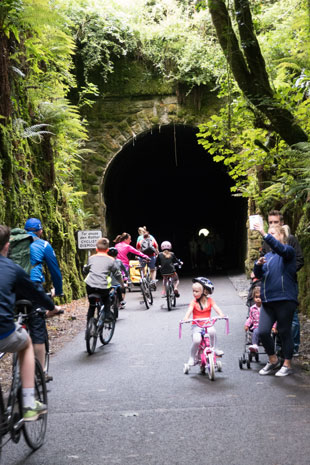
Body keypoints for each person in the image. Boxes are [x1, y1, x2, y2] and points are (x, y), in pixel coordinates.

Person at [0, 225, 55, 420]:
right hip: (5, 328)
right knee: (26, 343)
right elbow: (37, 291)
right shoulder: (12, 267)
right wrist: (53, 307)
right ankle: (30, 403)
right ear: (7, 246)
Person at [254, 223, 297, 376]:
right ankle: (273, 360)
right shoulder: (267, 256)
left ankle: (287, 363)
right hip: (268, 300)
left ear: (281, 237)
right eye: (269, 234)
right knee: (263, 331)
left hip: (285, 299)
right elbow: (259, 275)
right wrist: (257, 265)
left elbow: (281, 249)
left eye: (273, 233)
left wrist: (263, 233)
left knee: (284, 331)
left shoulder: (288, 252)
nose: (269, 235)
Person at [261, 210, 303, 356]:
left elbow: (298, 259)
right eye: (270, 222)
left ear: (282, 223)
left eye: (275, 222)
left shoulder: (290, 240)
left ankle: (294, 347)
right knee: (276, 320)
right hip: (272, 286)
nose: (272, 224)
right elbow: (264, 259)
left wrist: (287, 272)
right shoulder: (266, 241)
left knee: (292, 319)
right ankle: (279, 346)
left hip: (287, 284)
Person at [24, 217, 63, 375]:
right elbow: (55, 271)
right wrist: (58, 290)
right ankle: (40, 373)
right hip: (33, 287)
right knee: (37, 327)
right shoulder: (43, 244)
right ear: (39, 230)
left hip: (10, 286)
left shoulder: (12, 243)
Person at [183, 277, 225, 366]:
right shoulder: (193, 302)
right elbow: (189, 311)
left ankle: (215, 349)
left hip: (207, 323)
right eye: (193, 291)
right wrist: (186, 318)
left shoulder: (210, 301)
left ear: (204, 291)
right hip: (196, 325)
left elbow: (216, 308)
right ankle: (192, 357)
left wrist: (221, 314)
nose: (194, 293)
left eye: (196, 291)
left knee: (212, 331)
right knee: (196, 340)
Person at [84, 238, 123, 322]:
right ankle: (107, 315)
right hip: (102, 286)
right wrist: (122, 284)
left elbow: (86, 269)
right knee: (106, 301)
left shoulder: (91, 258)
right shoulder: (111, 260)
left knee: (92, 305)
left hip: (90, 285)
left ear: (96, 249)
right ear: (107, 250)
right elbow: (117, 274)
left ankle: (89, 328)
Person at [245, 287, 262, 352]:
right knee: (255, 331)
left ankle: (268, 348)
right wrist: (247, 325)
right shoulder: (252, 308)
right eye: (256, 297)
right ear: (253, 297)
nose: (258, 299)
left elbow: (271, 318)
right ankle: (254, 345)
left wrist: (273, 327)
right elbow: (251, 318)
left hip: (265, 327)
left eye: (260, 297)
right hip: (256, 326)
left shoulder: (266, 308)